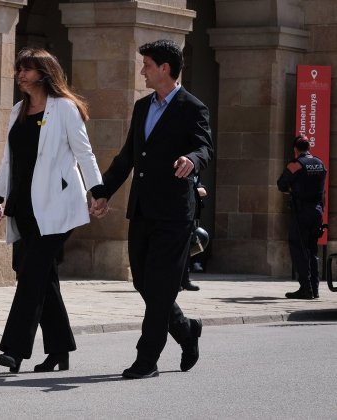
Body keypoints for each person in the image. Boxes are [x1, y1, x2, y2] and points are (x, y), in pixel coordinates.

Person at [91, 39, 214, 379]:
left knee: (159, 286)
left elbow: (205, 147)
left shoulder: (193, 107)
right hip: (143, 209)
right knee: (144, 282)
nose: (142, 71)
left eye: (146, 64)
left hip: (175, 212)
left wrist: (191, 159)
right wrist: (102, 191)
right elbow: (128, 156)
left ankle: (147, 360)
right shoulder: (143, 107)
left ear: (164, 68)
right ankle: (186, 329)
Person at [0, 47, 104, 374]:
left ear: (45, 72)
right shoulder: (18, 111)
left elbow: (85, 154)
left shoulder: (65, 109)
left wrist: (98, 192)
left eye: (28, 69)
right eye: (19, 69)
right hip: (24, 208)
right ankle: (59, 350)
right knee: (43, 277)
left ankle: (13, 349)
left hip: (58, 208)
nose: (21, 75)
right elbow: (11, 161)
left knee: (31, 274)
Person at [277, 135, 326, 299]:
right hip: (317, 211)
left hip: (302, 211)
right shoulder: (320, 163)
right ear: (308, 147)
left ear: (295, 149)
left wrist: (292, 188)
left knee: (298, 247)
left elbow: (281, 184)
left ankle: (305, 288)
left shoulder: (295, 165)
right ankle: (314, 288)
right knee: (312, 249)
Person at [180, 177, 207, 292]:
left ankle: (185, 281)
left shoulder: (194, 174)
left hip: (191, 217)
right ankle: (175, 282)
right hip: (178, 216)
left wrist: (192, 189)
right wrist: (194, 190)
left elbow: (204, 191)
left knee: (186, 251)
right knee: (177, 251)